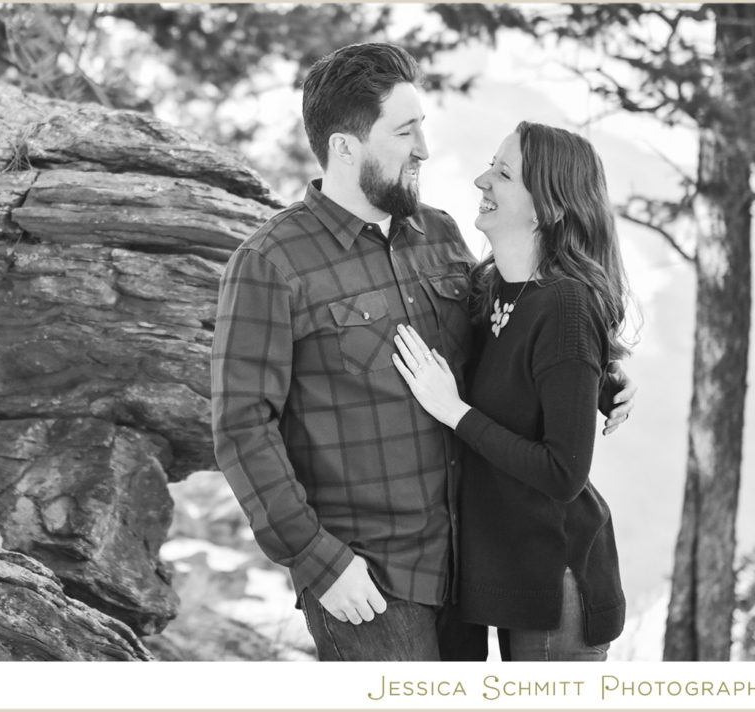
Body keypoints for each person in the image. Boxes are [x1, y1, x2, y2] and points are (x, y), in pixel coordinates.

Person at [211, 43, 633, 662]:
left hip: (467, 572)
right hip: (370, 581)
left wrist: (603, 373)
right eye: (405, 131)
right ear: (346, 147)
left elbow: (512, 337)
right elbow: (242, 429)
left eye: (423, 129)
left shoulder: (439, 235)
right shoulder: (270, 262)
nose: (425, 151)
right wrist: (315, 558)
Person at [393, 121, 631, 660]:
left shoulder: (567, 305)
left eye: (503, 174)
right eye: (490, 166)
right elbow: (536, 377)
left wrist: (454, 412)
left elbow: (563, 472)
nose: (482, 180)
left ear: (547, 208)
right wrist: (605, 382)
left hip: (556, 581)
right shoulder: (490, 287)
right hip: (502, 570)